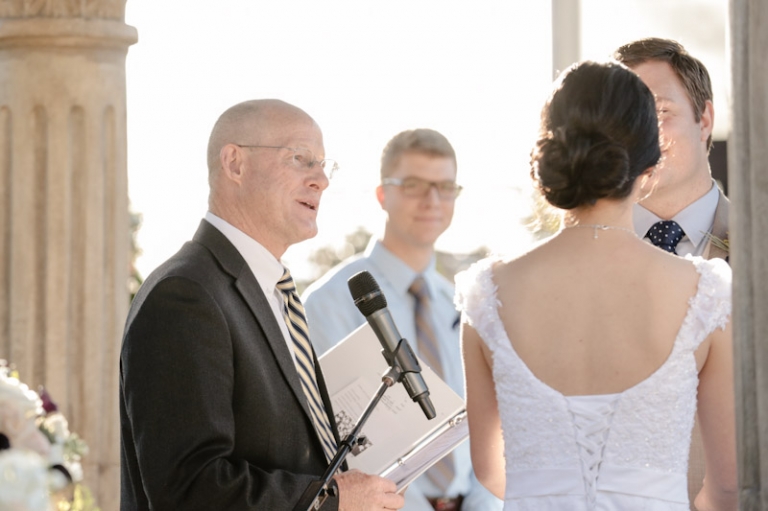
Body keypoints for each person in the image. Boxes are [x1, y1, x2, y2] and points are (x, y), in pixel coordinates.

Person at [456, 62, 737, 510]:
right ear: (650, 159)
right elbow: (726, 488)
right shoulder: (703, 292)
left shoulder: (487, 293)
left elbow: (489, 469)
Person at [119, 99, 404, 511]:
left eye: (324, 165)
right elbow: (190, 489)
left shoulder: (275, 293)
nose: (321, 180)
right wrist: (333, 500)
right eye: (300, 159)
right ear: (234, 163)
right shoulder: (185, 295)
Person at [302, 129, 503, 511]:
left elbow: (483, 424)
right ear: (382, 195)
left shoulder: (462, 303)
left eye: (445, 187)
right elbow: (335, 439)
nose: (432, 200)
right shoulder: (328, 303)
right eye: (414, 185)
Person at [614, 37, 730, 507]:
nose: (640, 136)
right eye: (623, 119)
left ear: (705, 119)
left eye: (659, 112)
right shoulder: (569, 266)